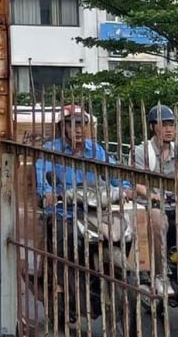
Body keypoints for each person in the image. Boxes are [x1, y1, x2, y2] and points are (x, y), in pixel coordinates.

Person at [35, 104, 170, 297]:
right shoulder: (51, 150)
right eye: (72, 124)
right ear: (62, 127)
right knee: (63, 236)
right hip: (66, 211)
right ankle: (66, 287)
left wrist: (126, 189)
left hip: (96, 210)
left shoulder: (95, 150)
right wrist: (48, 193)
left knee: (129, 228)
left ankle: (145, 274)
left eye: (82, 124)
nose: (78, 129)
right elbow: (42, 176)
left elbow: (114, 173)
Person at [130, 104, 178, 277]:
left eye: (171, 125)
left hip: (177, 204)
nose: (169, 129)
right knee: (157, 220)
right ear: (152, 127)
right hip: (151, 205)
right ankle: (158, 272)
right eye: (163, 125)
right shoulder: (142, 152)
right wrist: (153, 196)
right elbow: (137, 184)